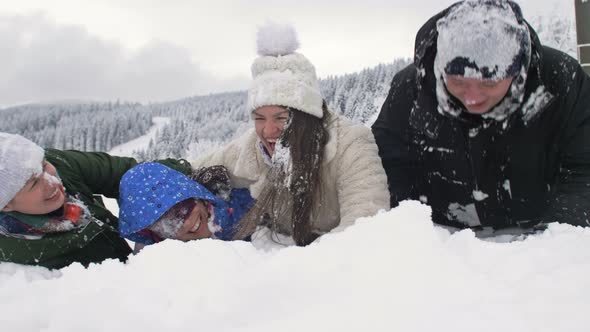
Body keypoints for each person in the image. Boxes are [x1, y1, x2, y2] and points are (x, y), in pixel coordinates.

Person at [372, 0, 590, 232]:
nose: (472, 98)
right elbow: (388, 167)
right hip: (442, 241)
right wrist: (416, 233)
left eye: (489, 82)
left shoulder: (561, 80)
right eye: (458, 82)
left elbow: (584, 168)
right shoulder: (411, 88)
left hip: (540, 240)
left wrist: (556, 236)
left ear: (517, 69)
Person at [191, 23, 390, 246]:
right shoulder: (251, 149)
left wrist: (292, 270)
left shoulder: (351, 146)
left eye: (281, 118)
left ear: (306, 116)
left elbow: (366, 229)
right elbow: (190, 169)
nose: (267, 131)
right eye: (259, 118)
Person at [0, 132, 192, 269]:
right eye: (34, 183)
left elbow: (130, 174)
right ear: (6, 204)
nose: (52, 181)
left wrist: (190, 176)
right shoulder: (15, 255)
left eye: (43, 165)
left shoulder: (60, 164)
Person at [118, 162, 254, 245]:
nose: (187, 223)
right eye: (168, 225)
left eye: (183, 207)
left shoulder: (245, 207)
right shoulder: (162, 267)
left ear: (196, 194)